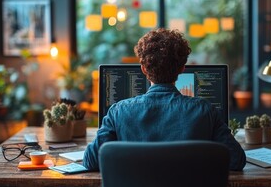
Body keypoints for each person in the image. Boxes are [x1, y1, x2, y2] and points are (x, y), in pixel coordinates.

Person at [82, 28, 246, 171]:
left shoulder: (118, 112)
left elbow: (90, 161)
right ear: (182, 68)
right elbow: (237, 160)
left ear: (144, 69)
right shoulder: (204, 111)